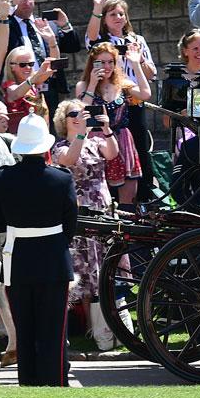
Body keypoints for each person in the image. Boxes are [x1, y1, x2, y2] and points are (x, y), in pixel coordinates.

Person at [0, 112, 78, 387]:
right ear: (45, 146)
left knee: (24, 329)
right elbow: (70, 224)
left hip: (18, 259)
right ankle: (55, 381)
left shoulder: (4, 178)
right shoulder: (62, 179)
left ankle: (28, 381)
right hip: (52, 258)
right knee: (53, 329)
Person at [51, 99, 120, 350]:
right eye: (72, 114)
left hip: (103, 207)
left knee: (104, 267)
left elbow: (112, 154)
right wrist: (81, 133)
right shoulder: (59, 145)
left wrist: (107, 129)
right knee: (84, 271)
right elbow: (69, 160)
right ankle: (89, 330)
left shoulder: (96, 141)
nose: (78, 117)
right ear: (63, 119)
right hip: (79, 212)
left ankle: (106, 329)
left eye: (82, 113)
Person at [75, 41, 150, 206]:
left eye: (111, 62)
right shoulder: (84, 85)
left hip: (122, 139)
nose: (107, 66)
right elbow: (82, 108)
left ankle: (127, 225)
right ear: (93, 63)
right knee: (99, 192)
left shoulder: (122, 84)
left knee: (128, 195)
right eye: (102, 62)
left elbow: (145, 94)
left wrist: (136, 64)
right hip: (96, 141)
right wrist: (93, 83)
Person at [0, 0, 82, 114]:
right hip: (21, 89)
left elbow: (73, 46)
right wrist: (9, 8)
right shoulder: (5, 24)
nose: (26, 2)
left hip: (50, 88)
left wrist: (65, 25)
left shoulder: (46, 24)